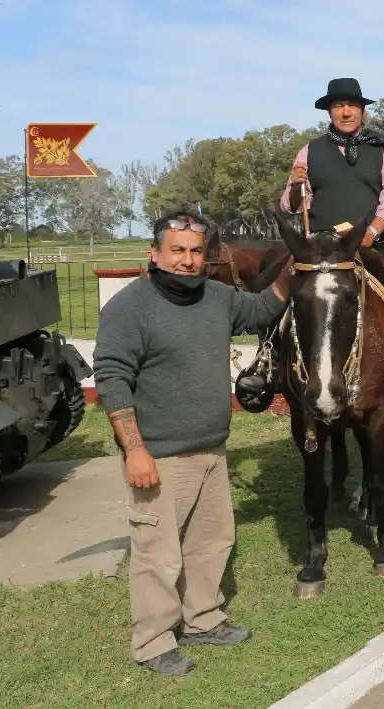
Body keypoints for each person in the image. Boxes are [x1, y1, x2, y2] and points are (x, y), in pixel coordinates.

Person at [93, 209, 292, 676]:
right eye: (177, 250)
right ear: (155, 253)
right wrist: (135, 450)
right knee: (157, 554)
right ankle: (154, 642)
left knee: (212, 542)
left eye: (196, 251)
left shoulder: (216, 297)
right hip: (159, 454)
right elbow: (112, 378)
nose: (187, 260)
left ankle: (203, 618)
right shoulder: (129, 307)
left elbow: (262, 308)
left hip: (212, 449)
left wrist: (299, 264)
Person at [280, 77, 384, 351]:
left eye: (352, 105)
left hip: (374, 241)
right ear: (329, 111)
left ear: (362, 111)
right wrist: (294, 184)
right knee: (272, 286)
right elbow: (293, 206)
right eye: (339, 106)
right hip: (319, 246)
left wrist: (372, 231)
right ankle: (271, 358)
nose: (346, 112)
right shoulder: (308, 151)